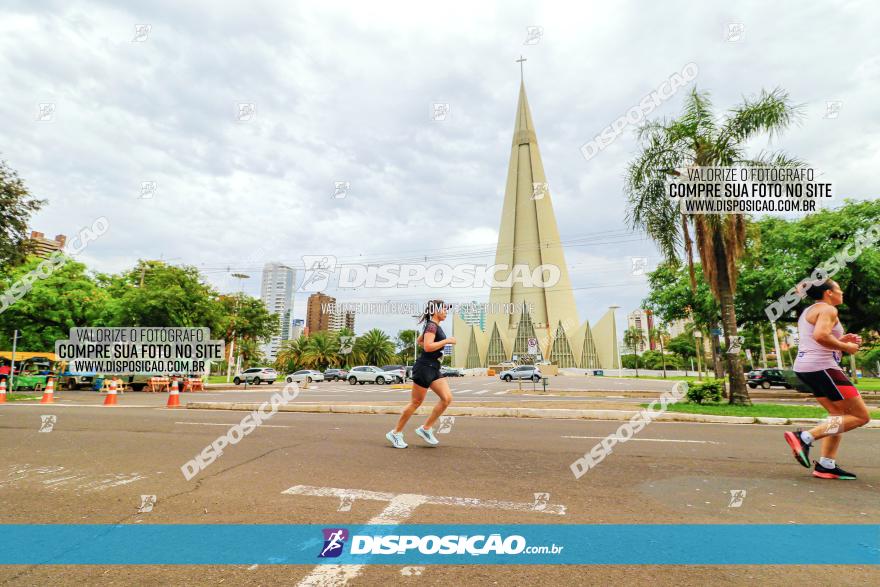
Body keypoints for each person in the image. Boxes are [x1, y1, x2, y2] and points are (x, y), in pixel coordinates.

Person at [783, 279, 870, 479]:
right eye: (838, 289)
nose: (842, 293)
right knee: (861, 417)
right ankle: (804, 437)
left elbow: (818, 338)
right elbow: (821, 336)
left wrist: (841, 340)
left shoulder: (809, 311)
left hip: (806, 368)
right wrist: (847, 347)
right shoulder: (829, 310)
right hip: (823, 368)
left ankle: (826, 465)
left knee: (837, 415)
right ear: (829, 292)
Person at [386, 300, 455, 448]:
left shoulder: (433, 326)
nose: (446, 312)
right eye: (444, 309)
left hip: (433, 367)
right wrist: (447, 341)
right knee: (416, 402)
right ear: (435, 311)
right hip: (424, 367)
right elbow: (428, 347)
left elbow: (420, 342)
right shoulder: (432, 325)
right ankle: (395, 433)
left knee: (447, 398)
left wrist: (434, 347)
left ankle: (425, 429)